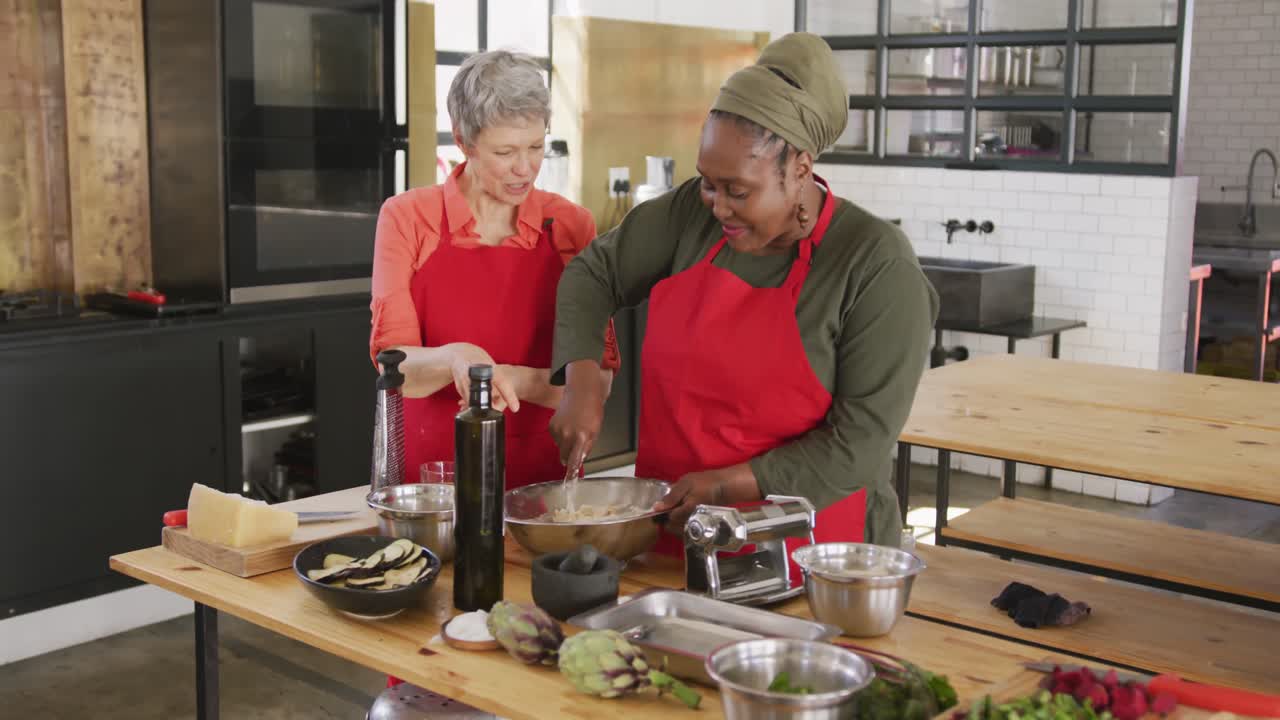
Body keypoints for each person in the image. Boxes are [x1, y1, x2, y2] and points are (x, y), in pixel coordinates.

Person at [548, 32, 938, 558]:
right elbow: (594, 273)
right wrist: (582, 381)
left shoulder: (874, 265)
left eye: (738, 190)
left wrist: (728, 486)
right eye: (708, 182)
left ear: (799, 169)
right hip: (674, 542)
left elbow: (860, 445)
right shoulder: (692, 214)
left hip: (812, 560)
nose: (717, 206)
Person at [369, 48, 618, 490]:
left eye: (536, 147)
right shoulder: (408, 218)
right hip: (431, 488)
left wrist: (510, 379)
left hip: (544, 485)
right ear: (463, 141)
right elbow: (395, 368)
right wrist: (456, 358)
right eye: (505, 152)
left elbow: (597, 380)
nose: (525, 169)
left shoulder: (571, 226)